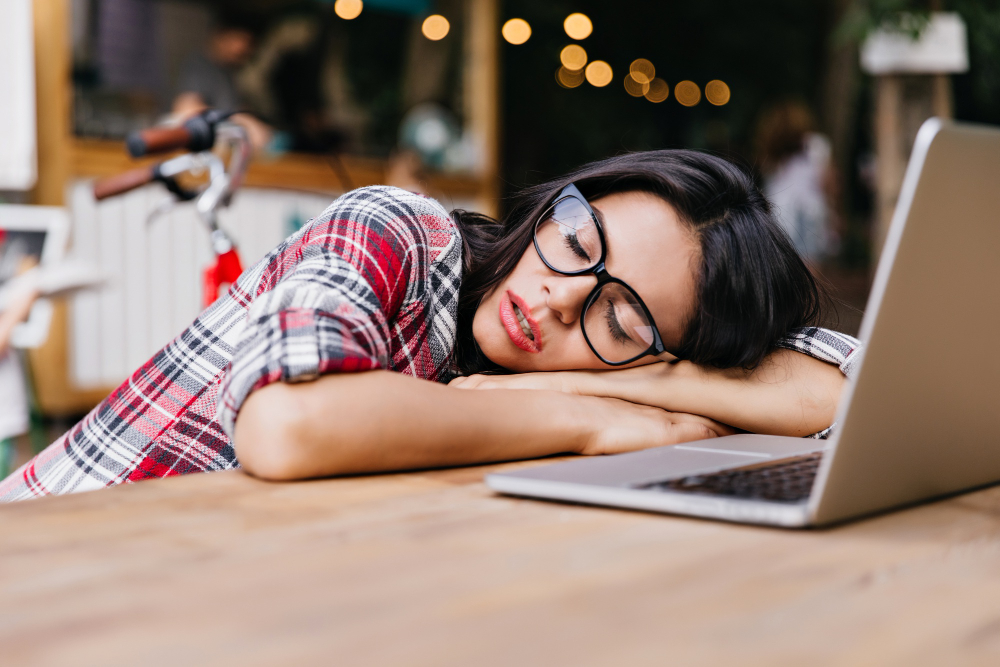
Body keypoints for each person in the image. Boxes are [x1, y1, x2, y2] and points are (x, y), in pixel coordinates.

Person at [0, 150, 859, 500]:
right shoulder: (397, 231)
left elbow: (852, 388)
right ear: (554, 204)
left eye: (620, 317)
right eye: (575, 240)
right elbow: (289, 424)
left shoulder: (588, 365)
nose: (561, 298)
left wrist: (623, 378)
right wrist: (585, 415)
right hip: (48, 562)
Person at [755, 102, 838, 264]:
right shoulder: (817, 145)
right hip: (811, 209)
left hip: (781, 211)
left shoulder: (772, 153)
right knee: (810, 262)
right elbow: (827, 182)